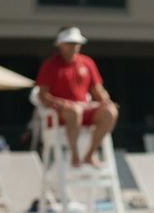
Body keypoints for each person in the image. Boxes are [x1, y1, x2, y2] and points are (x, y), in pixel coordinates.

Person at [35, 26, 118, 169]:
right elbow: (42, 95)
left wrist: (106, 101)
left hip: (84, 110)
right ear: (60, 44)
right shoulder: (50, 65)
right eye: (70, 43)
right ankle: (75, 157)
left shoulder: (87, 62)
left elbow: (97, 90)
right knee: (74, 111)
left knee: (110, 111)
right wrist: (62, 103)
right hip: (60, 114)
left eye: (76, 43)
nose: (74, 46)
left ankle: (90, 154)